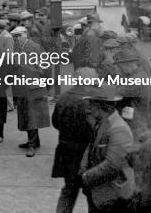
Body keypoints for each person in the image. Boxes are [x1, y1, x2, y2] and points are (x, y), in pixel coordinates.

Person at [80, 85, 134, 213]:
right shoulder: (103, 122)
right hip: (99, 192)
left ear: (101, 105)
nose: (89, 108)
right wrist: (83, 165)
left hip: (112, 196)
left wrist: (86, 176)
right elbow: (91, 146)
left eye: (91, 104)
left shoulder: (118, 129)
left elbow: (112, 165)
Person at [52, 68, 98, 213]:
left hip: (66, 151)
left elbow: (55, 122)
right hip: (85, 153)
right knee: (92, 193)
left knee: (69, 190)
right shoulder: (90, 101)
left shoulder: (64, 97)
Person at [12, 26, 50, 157]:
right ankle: (34, 141)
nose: (15, 38)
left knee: (31, 116)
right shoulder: (17, 47)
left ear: (24, 35)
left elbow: (44, 66)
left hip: (33, 86)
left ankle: (32, 144)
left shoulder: (35, 47)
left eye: (18, 36)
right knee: (25, 114)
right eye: (14, 36)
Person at [114, 49, 151, 138]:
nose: (119, 69)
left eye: (119, 67)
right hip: (141, 119)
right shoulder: (140, 74)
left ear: (126, 65)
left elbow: (116, 92)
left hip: (137, 124)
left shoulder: (136, 79)